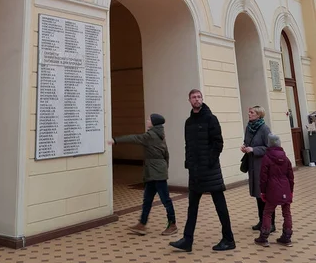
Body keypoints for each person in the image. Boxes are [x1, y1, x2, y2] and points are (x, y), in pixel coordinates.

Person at [170, 89, 235, 253]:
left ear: (202, 99)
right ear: (189, 100)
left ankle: (229, 239)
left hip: (210, 171)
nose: (197, 99)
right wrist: (188, 163)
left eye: (199, 97)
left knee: (220, 205)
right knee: (192, 207)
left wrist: (209, 162)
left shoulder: (211, 119)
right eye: (193, 97)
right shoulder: (188, 122)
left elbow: (218, 143)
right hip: (195, 172)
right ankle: (187, 240)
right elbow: (188, 145)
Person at [108, 113, 177, 236]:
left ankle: (172, 224)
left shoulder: (150, 135)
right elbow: (167, 154)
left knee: (165, 199)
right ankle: (142, 224)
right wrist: (164, 168)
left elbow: (134, 138)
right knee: (147, 199)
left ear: (154, 123)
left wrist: (115, 140)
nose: (147, 120)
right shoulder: (160, 135)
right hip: (154, 172)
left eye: (149, 119)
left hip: (156, 173)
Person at [240, 105, 275, 232]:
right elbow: (246, 141)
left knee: (266, 195)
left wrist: (254, 149)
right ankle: (261, 221)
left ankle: (271, 223)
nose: (249, 114)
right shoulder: (248, 127)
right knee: (258, 194)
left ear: (259, 114)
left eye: (252, 112)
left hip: (263, 166)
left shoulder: (265, 129)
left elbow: (270, 147)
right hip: (252, 166)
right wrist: (244, 147)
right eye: (249, 112)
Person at [255, 134, 294, 247]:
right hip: (286, 189)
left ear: (269, 143)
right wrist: (290, 190)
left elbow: (263, 177)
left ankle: (264, 237)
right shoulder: (286, 158)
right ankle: (287, 237)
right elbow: (291, 176)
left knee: (267, 212)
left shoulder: (266, 158)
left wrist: (263, 191)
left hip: (272, 189)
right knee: (287, 213)